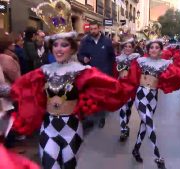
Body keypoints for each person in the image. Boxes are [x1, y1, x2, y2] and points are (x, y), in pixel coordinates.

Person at [10, 1, 137, 169]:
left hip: (71, 130)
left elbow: (113, 88)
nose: (59, 49)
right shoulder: (44, 71)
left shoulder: (83, 71)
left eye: (64, 44)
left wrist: (130, 81)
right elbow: (20, 88)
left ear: (72, 48)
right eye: (55, 44)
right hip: (48, 129)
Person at [124, 33, 180, 169]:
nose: (153, 49)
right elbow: (131, 76)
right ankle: (158, 157)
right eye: (151, 47)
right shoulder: (140, 61)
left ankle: (136, 149)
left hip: (153, 97)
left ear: (160, 50)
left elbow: (179, 73)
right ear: (148, 49)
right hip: (140, 96)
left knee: (144, 125)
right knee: (150, 124)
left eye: (156, 47)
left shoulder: (164, 64)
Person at [78, 21, 116, 128]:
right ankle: (90, 118)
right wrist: (83, 58)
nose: (93, 31)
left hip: (104, 74)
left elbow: (112, 57)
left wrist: (110, 73)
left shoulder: (107, 41)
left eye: (95, 28)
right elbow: (80, 54)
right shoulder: (85, 41)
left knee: (102, 97)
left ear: (99, 28)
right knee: (91, 96)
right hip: (91, 74)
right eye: (91, 29)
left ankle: (101, 118)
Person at [116, 34, 140, 142]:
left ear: (133, 48)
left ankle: (126, 125)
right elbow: (114, 72)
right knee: (122, 107)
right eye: (125, 46)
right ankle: (123, 129)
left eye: (129, 46)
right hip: (121, 86)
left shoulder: (137, 59)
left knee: (128, 109)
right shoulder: (118, 59)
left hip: (132, 87)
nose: (127, 48)